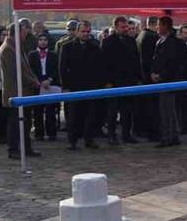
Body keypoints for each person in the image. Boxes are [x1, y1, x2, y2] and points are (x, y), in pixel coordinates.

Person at [0, 21, 41, 160]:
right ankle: (13, 149)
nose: (26, 35)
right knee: (15, 123)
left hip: (25, 92)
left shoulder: (17, 47)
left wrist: (33, 79)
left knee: (26, 122)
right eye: (24, 32)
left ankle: (26, 147)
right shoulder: (8, 49)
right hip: (15, 93)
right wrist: (33, 82)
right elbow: (16, 73)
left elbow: (26, 69)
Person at [60, 21, 104, 150]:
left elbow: (100, 68)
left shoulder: (95, 46)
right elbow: (62, 68)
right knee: (74, 115)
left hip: (91, 86)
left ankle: (89, 139)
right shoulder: (67, 47)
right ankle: (72, 141)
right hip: (74, 86)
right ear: (77, 31)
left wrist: (99, 85)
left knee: (91, 114)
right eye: (83, 31)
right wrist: (65, 86)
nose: (85, 34)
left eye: (88, 32)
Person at [101, 16, 142, 145]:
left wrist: (138, 78)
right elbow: (104, 64)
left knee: (127, 111)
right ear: (115, 27)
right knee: (112, 112)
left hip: (129, 82)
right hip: (113, 82)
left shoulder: (131, 41)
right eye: (122, 27)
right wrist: (107, 82)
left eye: (126, 27)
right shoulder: (108, 42)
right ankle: (112, 135)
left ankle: (126, 134)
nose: (125, 29)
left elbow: (136, 61)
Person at [151, 16, 187, 147]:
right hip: (163, 79)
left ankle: (168, 136)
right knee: (170, 109)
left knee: (166, 109)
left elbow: (172, 63)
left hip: (168, 80)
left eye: (159, 25)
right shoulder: (161, 41)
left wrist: (160, 75)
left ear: (165, 26)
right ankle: (173, 134)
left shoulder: (171, 43)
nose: (157, 28)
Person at [29, 33, 60, 141]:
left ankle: (52, 133)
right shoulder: (32, 55)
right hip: (37, 84)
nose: (43, 42)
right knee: (37, 111)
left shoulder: (53, 55)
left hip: (50, 84)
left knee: (51, 111)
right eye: (40, 40)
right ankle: (39, 133)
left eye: (45, 40)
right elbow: (30, 69)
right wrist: (38, 81)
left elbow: (57, 69)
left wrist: (49, 80)